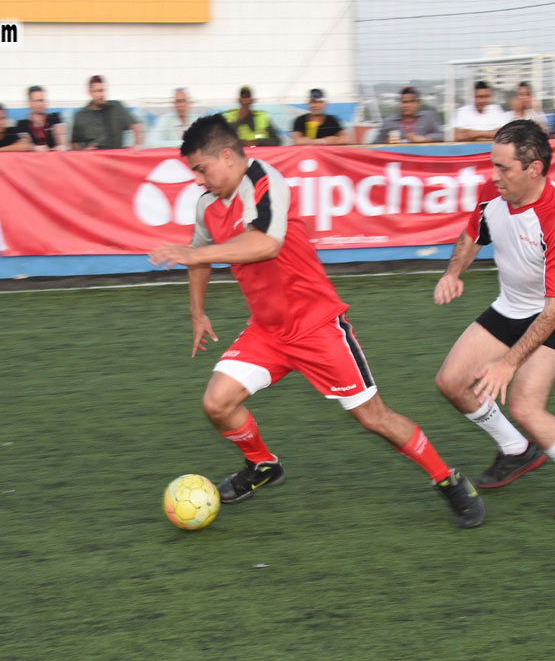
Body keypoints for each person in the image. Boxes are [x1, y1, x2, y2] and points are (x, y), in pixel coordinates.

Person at [149, 115, 486, 528]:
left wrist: (194, 255)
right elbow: (198, 253)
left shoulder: (265, 181)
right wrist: (197, 312)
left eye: (201, 169)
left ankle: (448, 480)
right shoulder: (208, 205)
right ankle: (263, 466)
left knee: (373, 418)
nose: (199, 180)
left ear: (226, 155)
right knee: (217, 403)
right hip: (268, 331)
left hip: (317, 326)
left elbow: (265, 244)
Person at [432, 120, 555, 522]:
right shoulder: (493, 193)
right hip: (513, 304)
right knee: (451, 383)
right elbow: (472, 236)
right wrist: (454, 273)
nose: (493, 175)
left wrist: (508, 363)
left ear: (534, 168)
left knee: (525, 406)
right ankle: (518, 450)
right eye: (493, 165)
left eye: (503, 168)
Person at [71, 75, 143, 150]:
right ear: (90, 92)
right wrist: (84, 151)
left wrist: (137, 144)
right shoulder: (80, 115)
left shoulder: (116, 107)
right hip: (93, 160)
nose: (102, 95)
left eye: (103, 90)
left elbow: (135, 125)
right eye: (97, 91)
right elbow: (74, 142)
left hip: (115, 158)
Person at [375, 86, 444, 144]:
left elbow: (442, 136)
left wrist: (423, 139)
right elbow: (375, 145)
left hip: (424, 157)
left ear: (418, 103)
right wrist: (387, 142)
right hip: (398, 158)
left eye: (411, 101)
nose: (407, 105)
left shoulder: (429, 117)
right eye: (404, 102)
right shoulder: (388, 122)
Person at [20, 86, 66, 150]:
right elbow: (26, 145)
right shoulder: (22, 124)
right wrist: (34, 148)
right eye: (39, 101)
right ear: (29, 103)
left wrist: (61, 146)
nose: (42, 104)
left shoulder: (54, 118)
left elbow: (62, 143)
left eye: (44, 100)